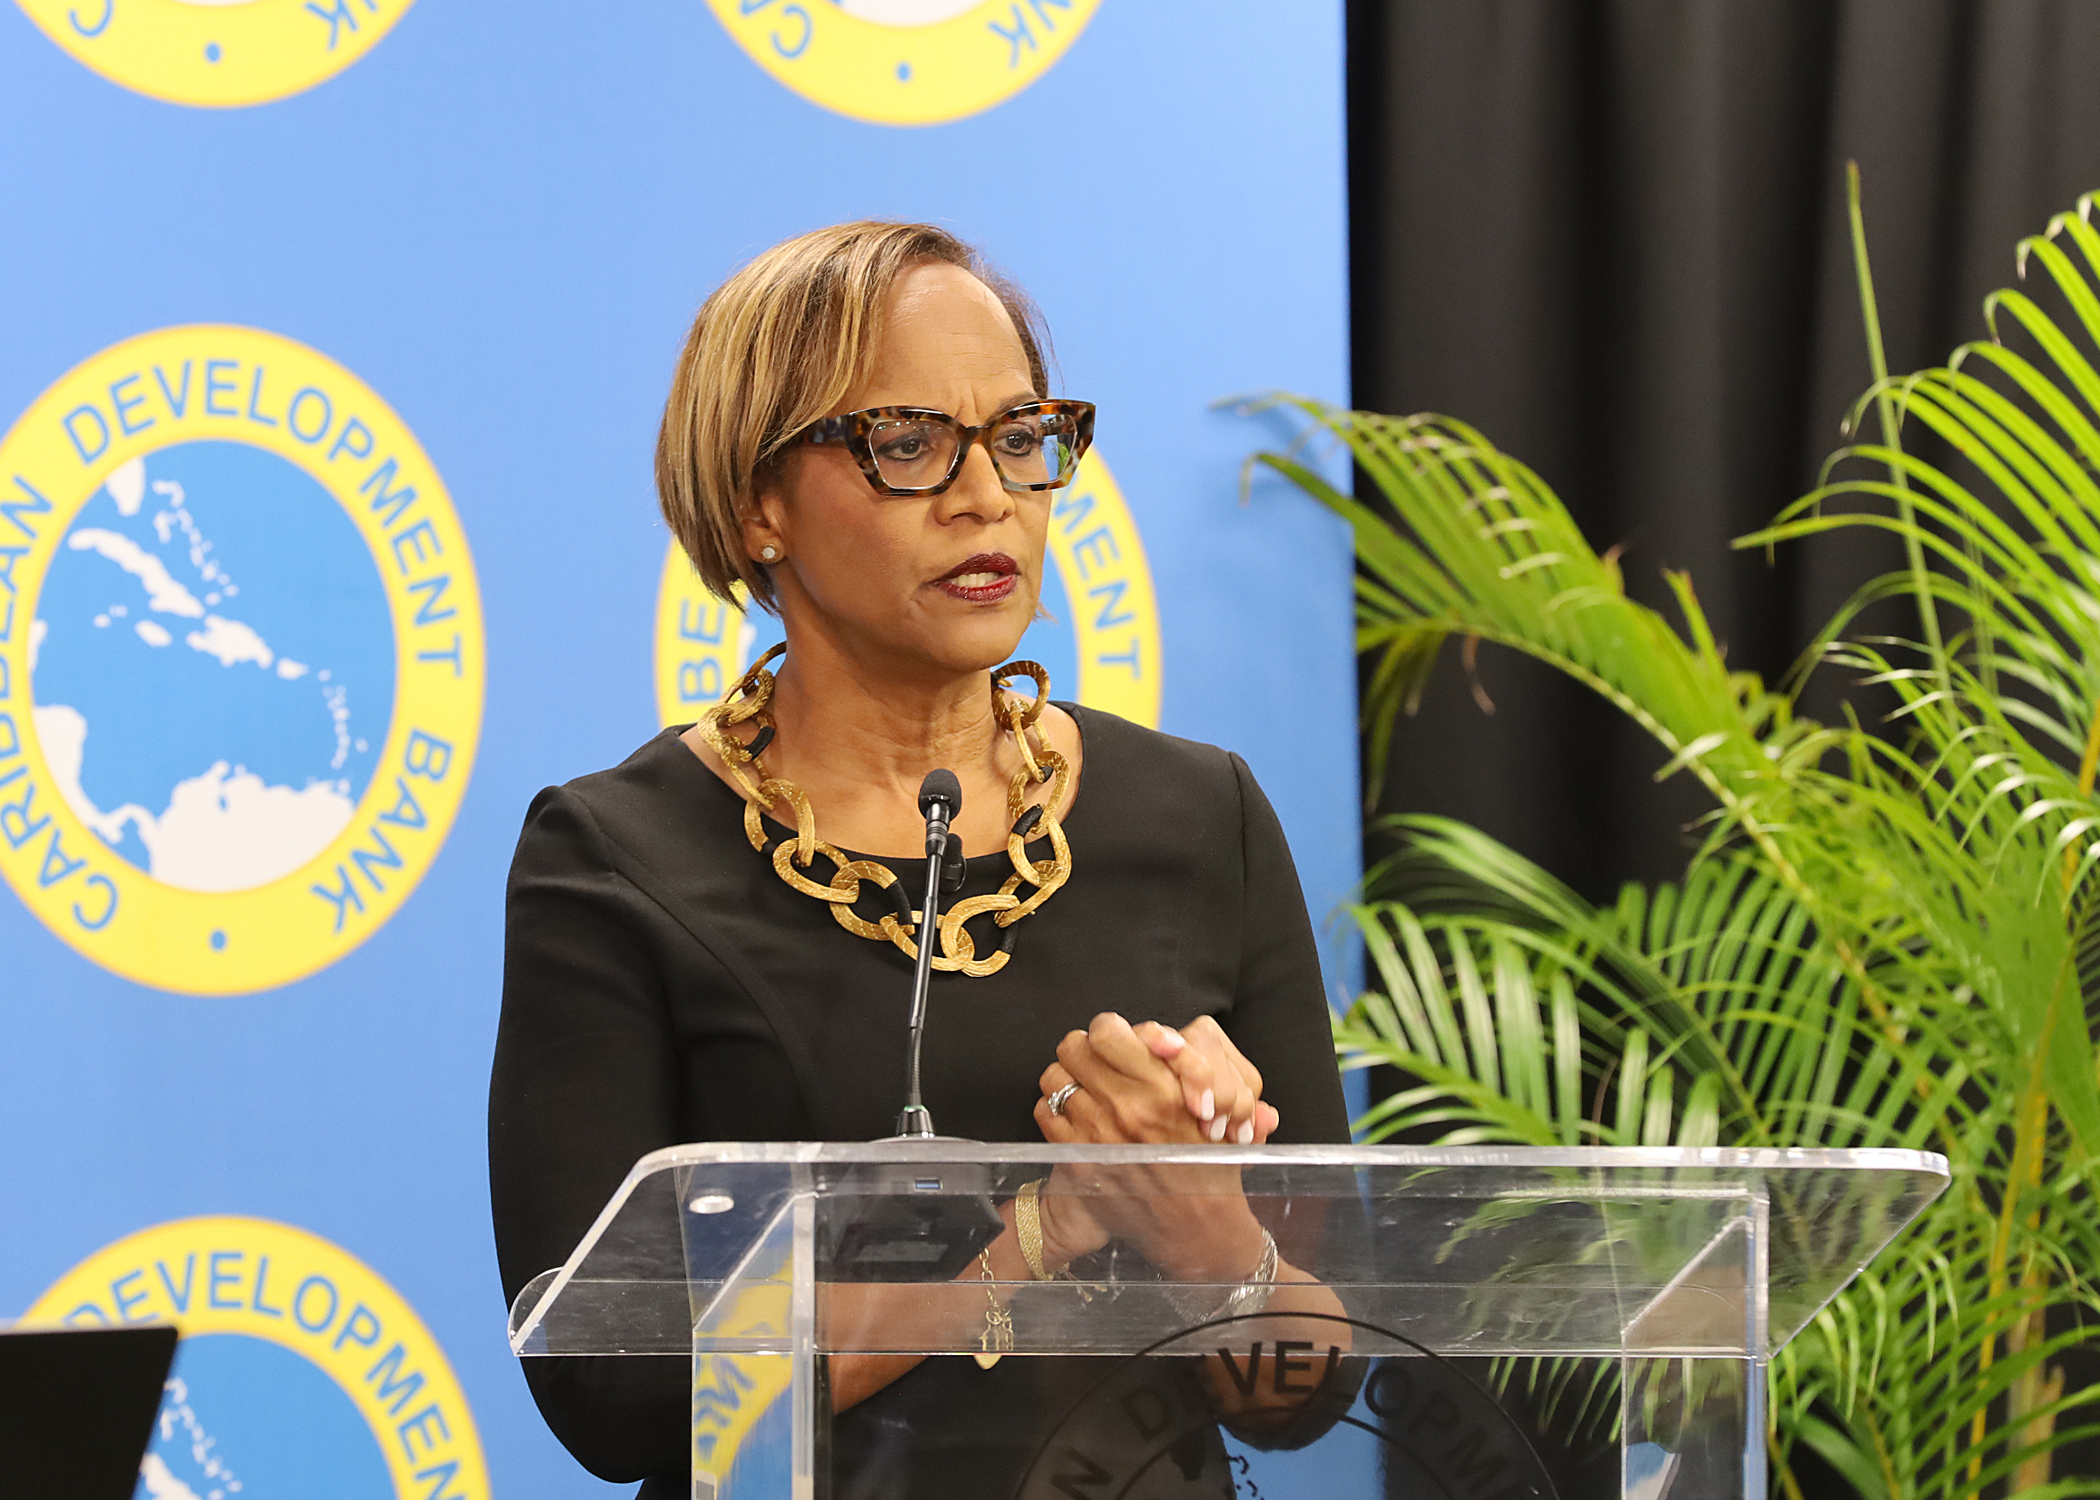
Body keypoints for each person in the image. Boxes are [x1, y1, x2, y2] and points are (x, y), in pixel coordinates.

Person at [488, 221, 1353, 1497]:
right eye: (906, 445)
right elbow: (612, 1388)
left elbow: (1306, 1396)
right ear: (755, 503)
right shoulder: (618, 857)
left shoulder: (1197, 816)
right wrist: (1036, 1234)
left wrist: (1202, 1219)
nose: (986, 495)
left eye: (1018, 437)